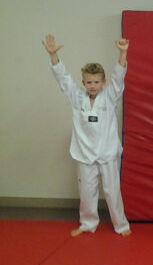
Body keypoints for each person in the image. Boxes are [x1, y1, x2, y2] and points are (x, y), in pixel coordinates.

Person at [42, 34, 131, 237]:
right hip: (84, 153)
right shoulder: (77, 98)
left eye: (96, 82)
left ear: (103, 82)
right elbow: (64, 79)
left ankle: (121, 225)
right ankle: (87, 224)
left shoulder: (110, 96)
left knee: (112, 192)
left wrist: (122, 53)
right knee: (86, 193)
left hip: (107, 153)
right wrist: (53, 55)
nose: (92, 85)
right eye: (89, 82)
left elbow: (119, 78)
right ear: (83, 82)